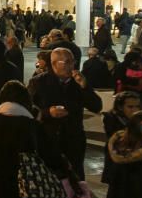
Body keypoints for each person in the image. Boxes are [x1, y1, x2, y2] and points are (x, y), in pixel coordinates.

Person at [32, 48, 102, 179]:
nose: (72, 66)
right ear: (54, 64)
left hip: (73, 140)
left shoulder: (79, 82)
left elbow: (96, 106)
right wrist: (48, 112)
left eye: (72, 61)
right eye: (67, 62)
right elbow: (28, 109)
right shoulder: (38, 82)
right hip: (48, 140)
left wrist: (85, 87)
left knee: (75, 179)